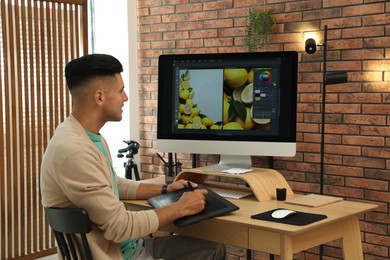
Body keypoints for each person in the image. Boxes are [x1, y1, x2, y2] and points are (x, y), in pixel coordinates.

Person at [40, 54, 226, 260]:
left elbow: (112, 185)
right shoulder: (74, 151)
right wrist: (181, 207)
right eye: (120, 91)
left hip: (128, 248)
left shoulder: (85, 137)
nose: (126, 97)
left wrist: (165, 189)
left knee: (214, 248)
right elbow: (120, 227)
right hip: (119, 255)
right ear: (99, 97)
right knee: (213, 250)